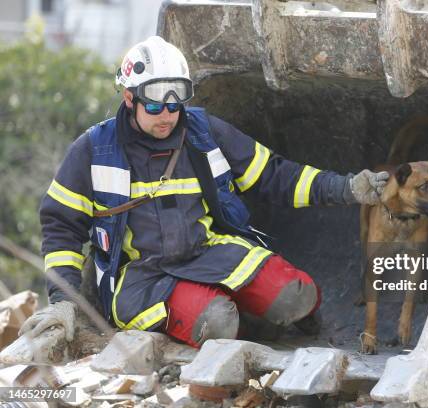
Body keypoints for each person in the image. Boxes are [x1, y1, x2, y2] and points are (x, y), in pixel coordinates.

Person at [19, 36, 389, 348]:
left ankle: (262, 314)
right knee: (218, 324)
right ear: (129, 98)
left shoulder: (203, 132)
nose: (166, 113)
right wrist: (63, 302)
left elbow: (275, 176)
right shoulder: (93, 150)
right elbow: (61, 229)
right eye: (153, 102)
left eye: (175, 100)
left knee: (298, 296)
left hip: (206, 252)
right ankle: (235, 321)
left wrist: (346, 188)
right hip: (143, 278)